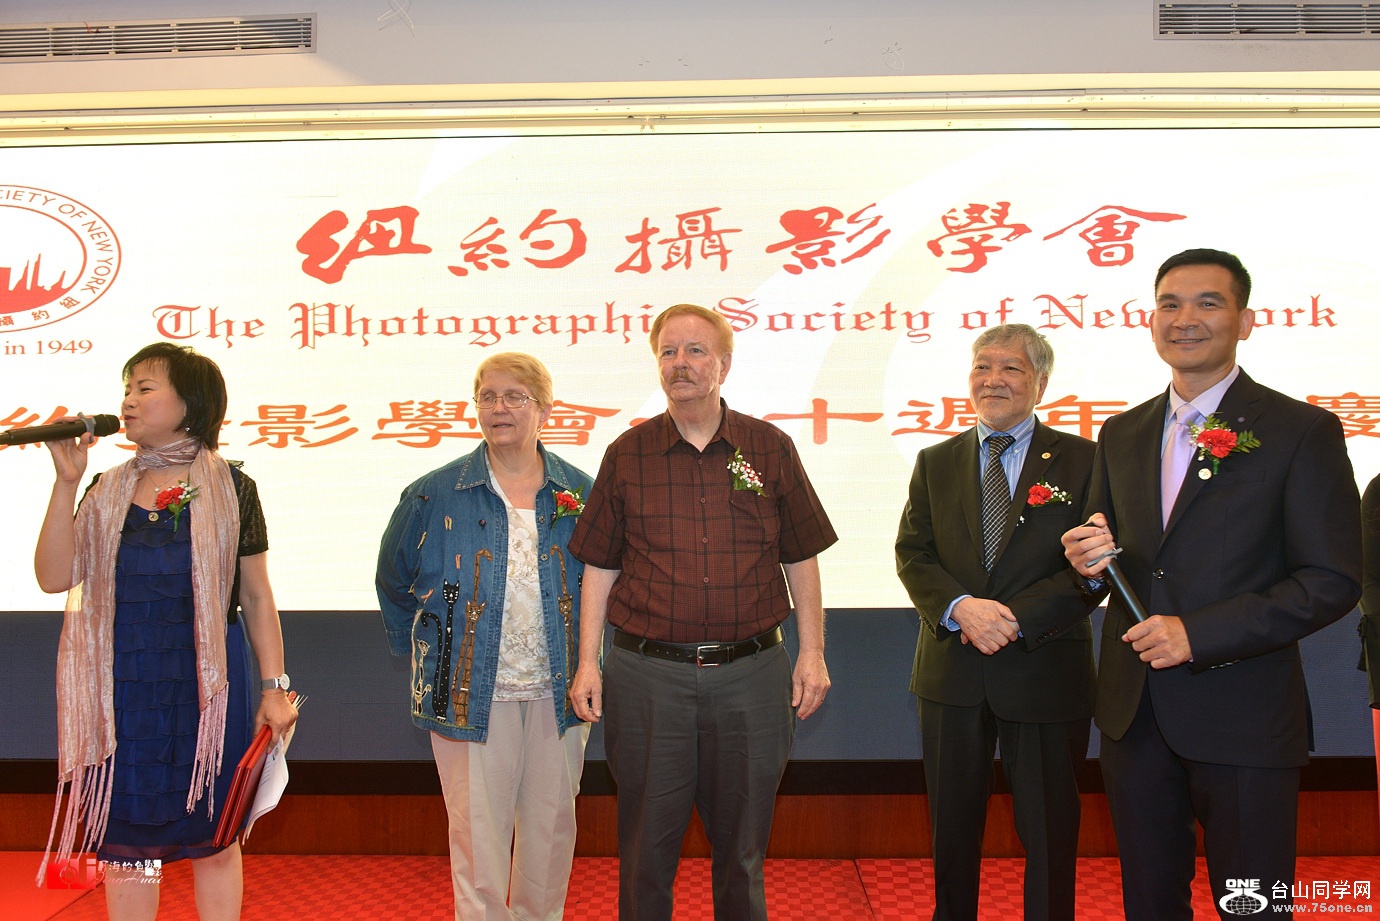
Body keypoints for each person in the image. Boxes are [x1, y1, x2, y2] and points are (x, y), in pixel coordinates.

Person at [1060, 248, 1361, 919]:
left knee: (1253, 905)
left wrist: (1198, 634)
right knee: (1149, 902)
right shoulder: (1122, 431)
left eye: (1208, 303)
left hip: (1244, 714)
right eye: (1169, 304)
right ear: (1151, 319)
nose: (1185, 319)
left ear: (1245, 321)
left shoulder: (1299, 430)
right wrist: (1085, 566)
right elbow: (1109, 563)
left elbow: (1332, 579)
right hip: (1134, 716)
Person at [567, 302, 837, 921]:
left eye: (695, 350)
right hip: (648, 677)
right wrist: (588, 662)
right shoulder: (627, 453)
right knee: (645, 848)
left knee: (742, 850)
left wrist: (814, 654)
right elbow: (599, 566)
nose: (680, 364)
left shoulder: (769, 447)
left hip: (751, 675)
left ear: (724, 364)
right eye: (668, 352)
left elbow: (801, 555)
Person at [34, 342, 297, 921]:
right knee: (130, 846)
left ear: (191, 403)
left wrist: (275, 687)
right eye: (126, 389)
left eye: (145, 388)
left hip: (207, 687)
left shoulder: (232, 488)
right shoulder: (104, 488)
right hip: (123, 686)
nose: (128, 401)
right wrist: (65, 482)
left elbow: (256, 595)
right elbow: (53, 578)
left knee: (214, 836)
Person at [377, 352, 593, 921]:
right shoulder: (434, 493)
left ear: (545, 409)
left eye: (515, 396)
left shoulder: (581, 491)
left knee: (551, 829)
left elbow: (605, 585)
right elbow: (392, 578)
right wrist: (425, 650)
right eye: (488, 396)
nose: (499, 408)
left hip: (559, 689)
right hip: (466, 690)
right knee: (477, 835)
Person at [895, 324, 1097, 921]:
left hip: (1045, 667)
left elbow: (1095, 564)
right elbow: (913, 553)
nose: (993, 379)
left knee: (1050, 829)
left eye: (1011, 367)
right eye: (982, 366)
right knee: (952, 828)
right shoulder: (936, 461)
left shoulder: (1086, 459)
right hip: (952, 672)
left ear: (1041, 381)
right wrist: (962, 609)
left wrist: (1011, 620)